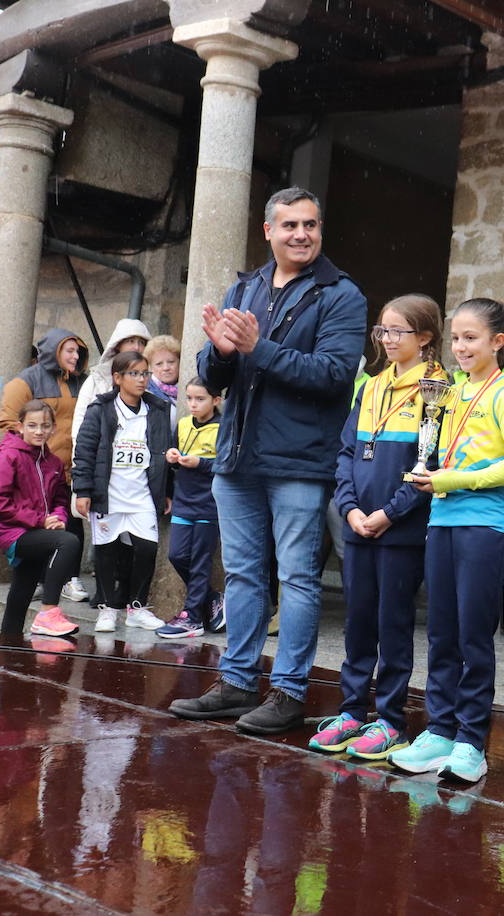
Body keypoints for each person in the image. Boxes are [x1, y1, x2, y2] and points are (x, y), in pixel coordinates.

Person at [168, 186, 367, 735]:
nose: (301, 234)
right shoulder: (246, 286)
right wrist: (219, 352)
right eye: (290, 226)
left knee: (299, 579)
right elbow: (212, 378)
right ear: (268, 232)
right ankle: (236, 683)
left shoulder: (340, 293)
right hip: (237, 458)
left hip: (300, 462)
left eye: (311, 225)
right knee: (243, 576)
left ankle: (288, 691)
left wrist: (260, 349)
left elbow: (332, 375)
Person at [391, 298, 504, 781]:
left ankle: (472, 741)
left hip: (485, 526)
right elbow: (441, 450)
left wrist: (452, 480)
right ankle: (440, 730)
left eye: (471, 338)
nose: (460, 347)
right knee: (441, 633)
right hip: (442, 521)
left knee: (473, 636)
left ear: (498, 342)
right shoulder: (451, 391)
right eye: (455, 338)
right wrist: (428, 469)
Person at [310, 294, 447, 760]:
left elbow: (428, 465)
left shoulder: (437, 390)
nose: (387, 340)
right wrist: (348, 509)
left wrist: (389, 512)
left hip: (400, 528)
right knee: (358, 620)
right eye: (382, 331)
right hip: (358, 523)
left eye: (397, 332)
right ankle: (352, 711)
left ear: (425, 338)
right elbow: (347, 452)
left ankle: (389, 718)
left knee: (393, 623)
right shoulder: (371, 385)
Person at [72, 350, 176, 633]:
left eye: (145, 373)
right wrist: (83, 489)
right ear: (117, 378)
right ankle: (109, 608)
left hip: (142, 494)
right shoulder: (101, 410)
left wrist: (166, 490)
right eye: (134, 373)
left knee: (146, 549)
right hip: (109, 494)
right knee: (106, 550)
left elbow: (162, 454)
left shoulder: (157, 410)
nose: (142, 379)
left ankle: (137, 608)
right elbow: (84, 452)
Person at [0, 328, 90, 603]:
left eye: (78, 351)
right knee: (43, 527)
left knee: (71, 522)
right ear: (53, 351)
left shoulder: (82, 383)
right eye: (69, 350)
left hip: (71, 466)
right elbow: (9, 422)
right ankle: (42, 584)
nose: (75, 356)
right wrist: (31, 457)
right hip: (37, 467)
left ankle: (69, 580)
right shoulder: (24, 381)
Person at [0, 400, 83, 638]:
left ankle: (8, 649)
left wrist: (58, 517)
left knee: (22, 590)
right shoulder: (9, 456)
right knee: (68, 542)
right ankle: (48, 612)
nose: (39, 431)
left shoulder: (52, 462)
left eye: (45, 426)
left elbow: (61, 499)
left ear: (53, 428)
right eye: (32, 425)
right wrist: (40, 521)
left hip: (39, 531)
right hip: (13, 532)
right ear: (20, 426)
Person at [156, 378, 225, 639]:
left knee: (199, 561)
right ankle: (212, 598)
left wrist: (202, 464)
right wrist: (172, 458)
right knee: (177, 555)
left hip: (209, 504)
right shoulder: (183, 424)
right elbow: (173, 456)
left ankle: (192, 617)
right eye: (189, 398)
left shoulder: (223, 427)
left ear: (216, 401)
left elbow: (227, 466)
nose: (193, 404)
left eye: (200, 399)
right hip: (184, 502)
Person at [71, 318, 151, 442]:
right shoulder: (97, 379)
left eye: (141, 342)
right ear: (118, 344)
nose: (137, 347)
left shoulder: (151, 380)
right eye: (131, 341)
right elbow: (80, 421)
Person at [144, 335, 182, 403]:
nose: (166, 368)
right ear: (150, 368)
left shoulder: (191, 387)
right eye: (159, 364)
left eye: (171, 362)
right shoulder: (145, 393)